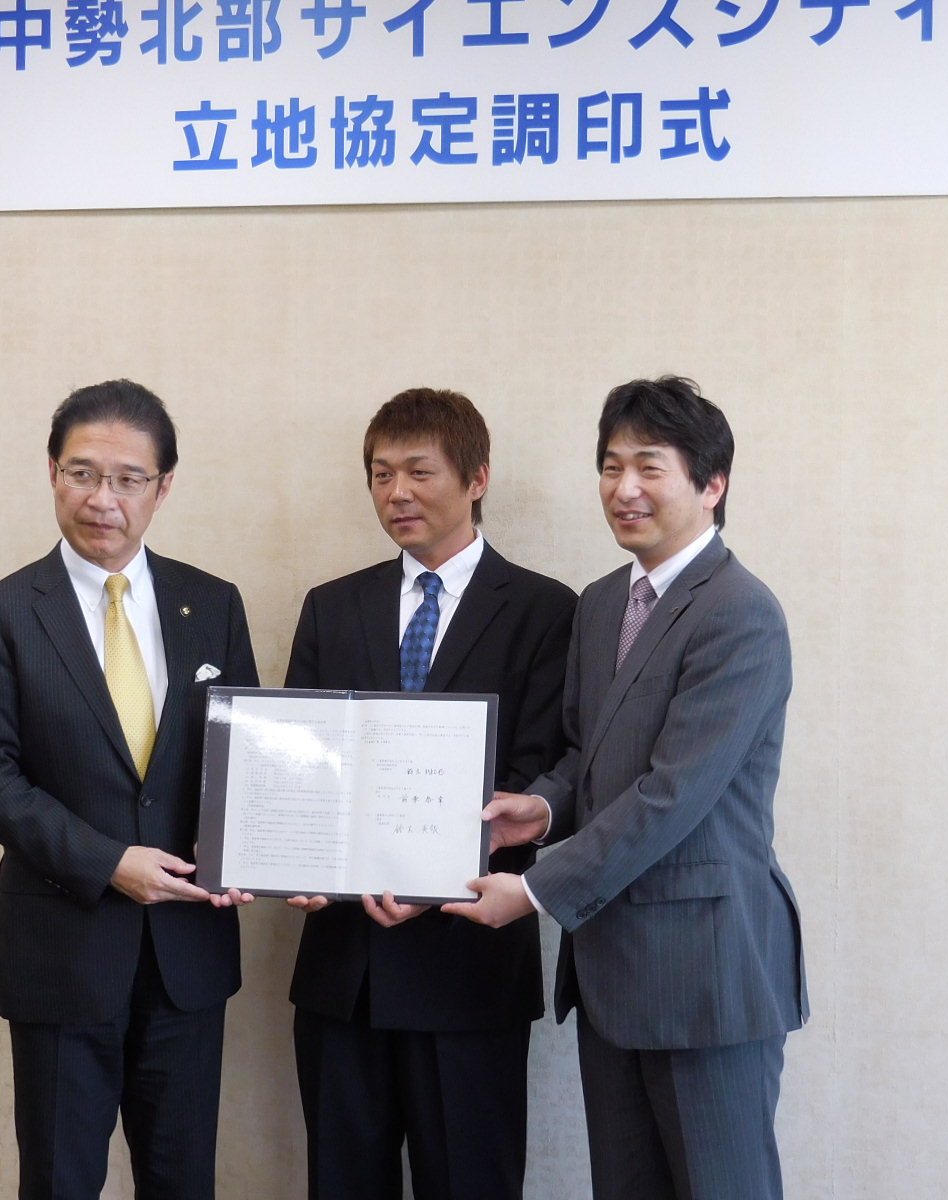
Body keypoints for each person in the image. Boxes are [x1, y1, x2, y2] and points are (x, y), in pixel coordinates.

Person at [445, 376, 809, 1200]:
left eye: (650, 466)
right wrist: (541, 807)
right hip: (612, 971)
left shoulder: (741, 613)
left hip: (707, 973)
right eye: (610, 467)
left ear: (712, 485)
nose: (624, 488)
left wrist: (533, 890)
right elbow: (590, 752)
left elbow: (671, 795)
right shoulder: (604, 602)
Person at [0, 379, 257, 1200]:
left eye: (128, 479)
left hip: (188, 955)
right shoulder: (2, 614)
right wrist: (108, 862)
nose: (102, 499)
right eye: (83, 473)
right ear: (53, 472)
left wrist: (249, 844)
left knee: (182, 1181)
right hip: (62, 953)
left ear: (163, 487)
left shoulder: (213, 604)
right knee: (60, 1182)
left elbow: (245, 760)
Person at [283, 387, 576, 1200]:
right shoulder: (331, 606)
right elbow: (303, 765)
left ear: (477, 478)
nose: (397, 493)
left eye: (420, 471)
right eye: (381, 475)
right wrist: (294, 854)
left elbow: (548, 768)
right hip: (344, 969)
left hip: (469, 966)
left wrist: (429, 871)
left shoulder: (547, 610)